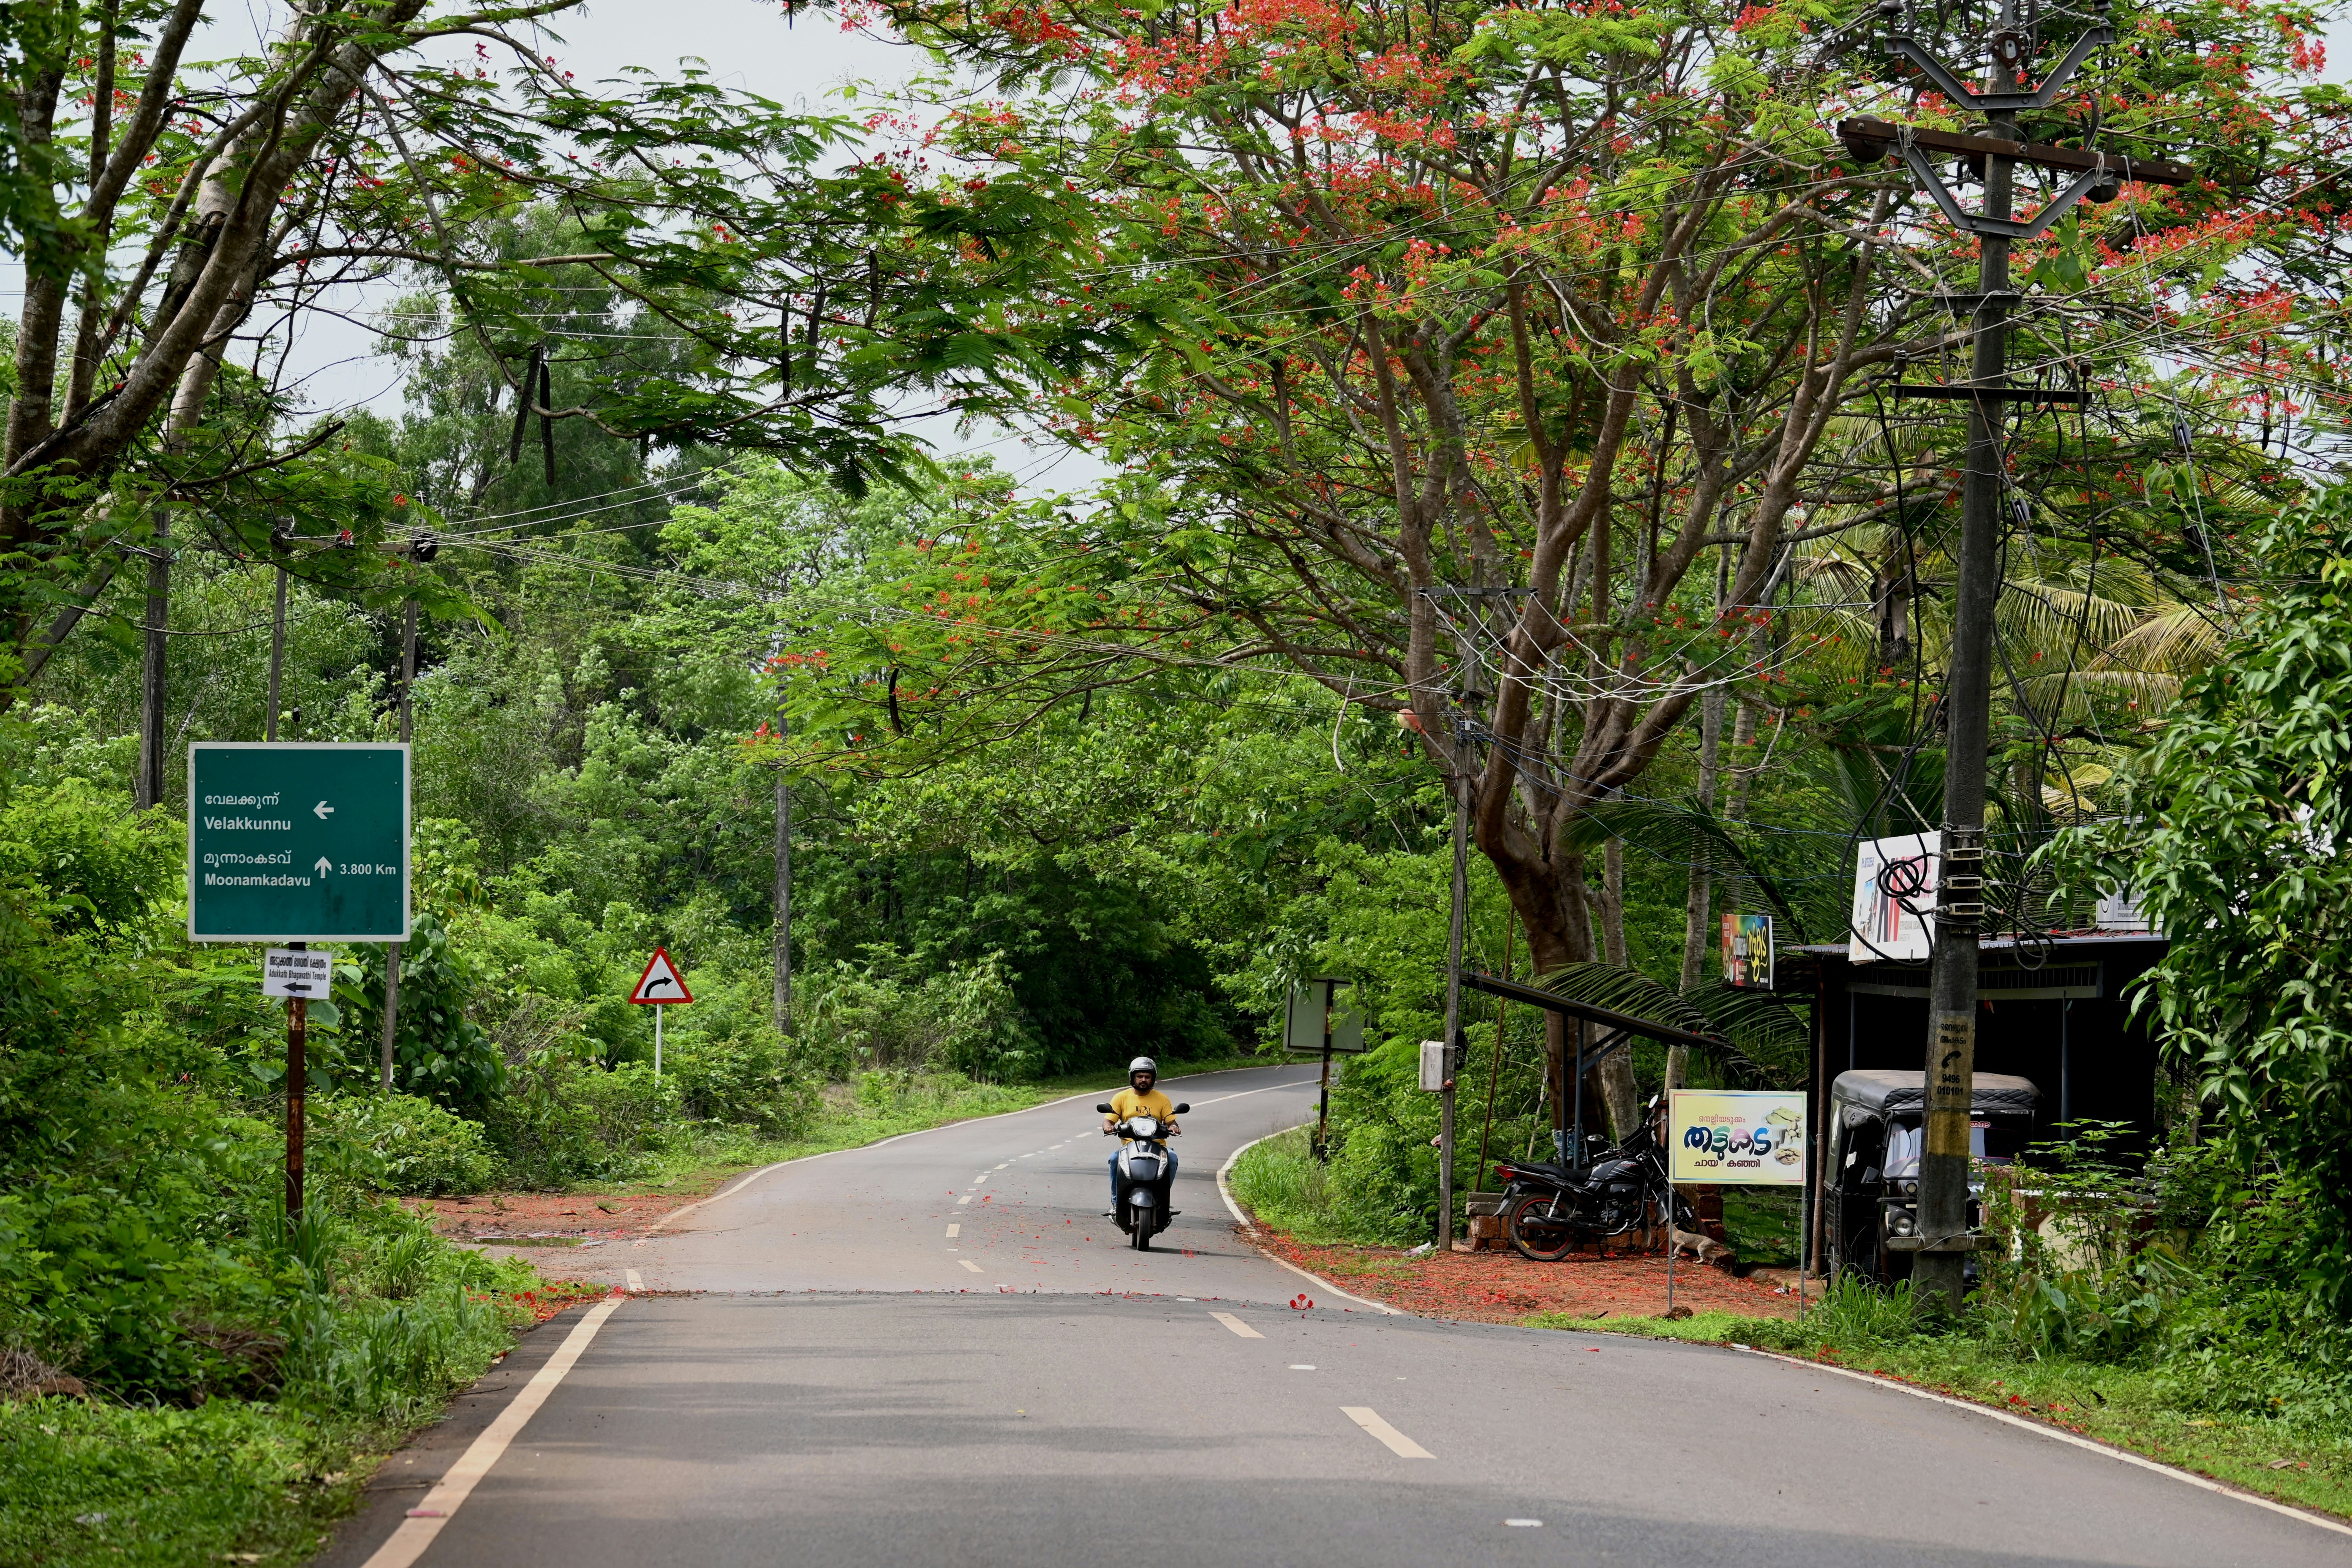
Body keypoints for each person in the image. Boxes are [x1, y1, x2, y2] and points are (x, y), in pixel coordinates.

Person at [1104, 1056, 1179, 1214]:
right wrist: (1109, 1127)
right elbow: (1108, 1121)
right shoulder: (1121, 1097)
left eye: (1147, 1076)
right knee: (1114, 1159)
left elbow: (1172, 1121)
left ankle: (1163, 1198)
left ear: (1153, 1079)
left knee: (1172, 1158)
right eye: (1140, 1076)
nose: (1143, 1080)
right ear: (1133, 1077)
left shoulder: (1162, 1099)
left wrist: (1174, 1128)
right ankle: (1117, 1203)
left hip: (1157, 1147)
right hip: (1129, 1147)